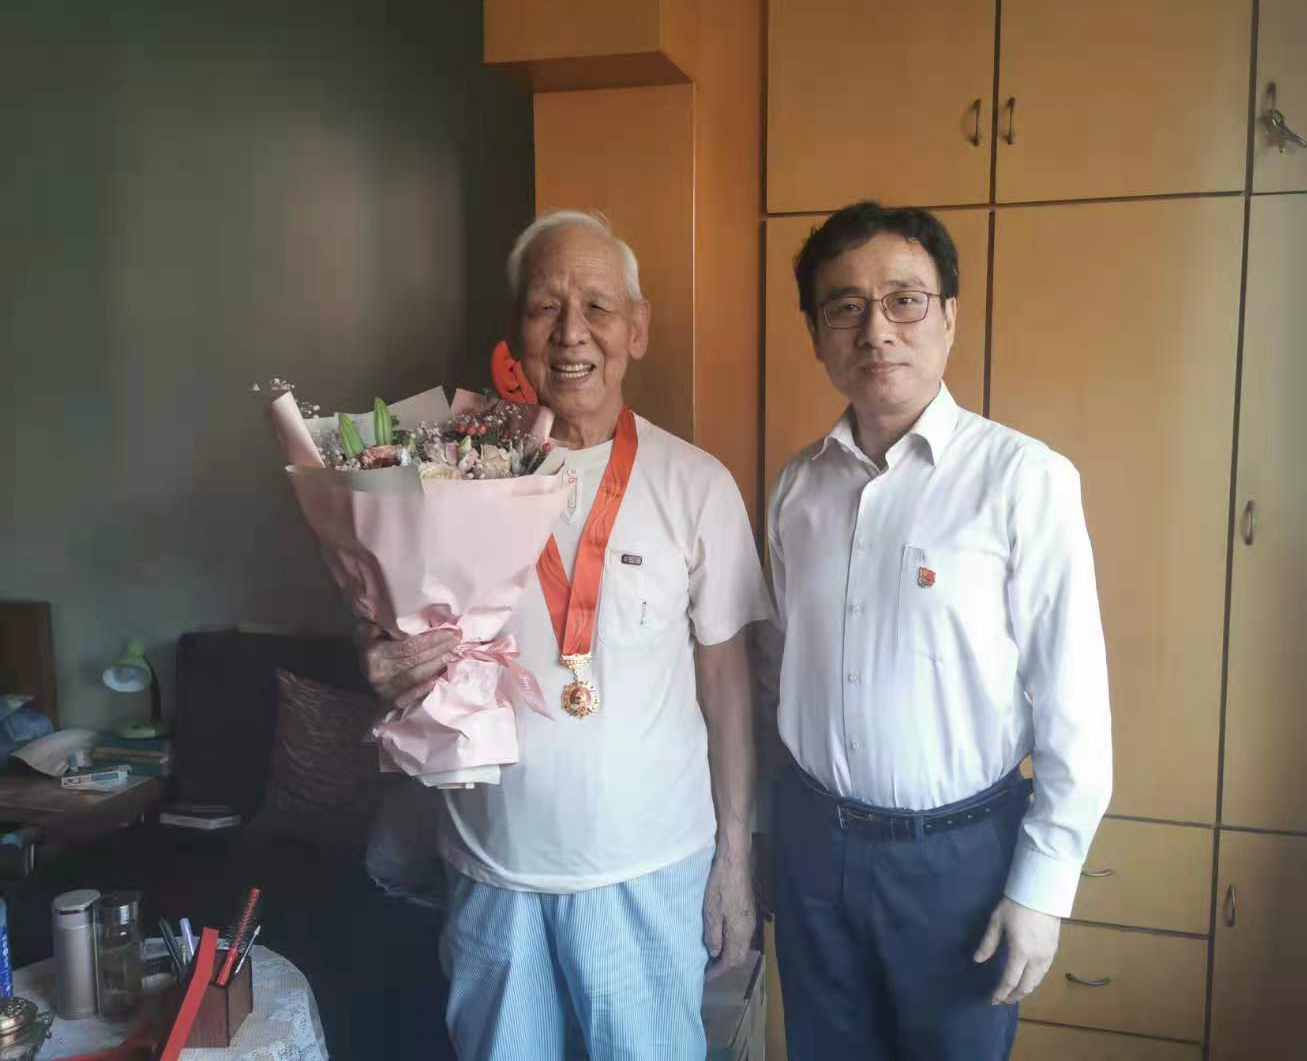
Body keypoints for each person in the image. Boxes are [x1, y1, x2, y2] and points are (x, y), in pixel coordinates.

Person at [357, 210, 770, 1061]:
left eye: (598, 306)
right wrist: (385, 666)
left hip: (650, 869)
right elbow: (388, 646)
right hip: (492, 871)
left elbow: (727, 689)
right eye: (546, 306)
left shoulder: (696, 484)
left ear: (637, 329)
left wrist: (736, 859)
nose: (572, 331)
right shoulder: (446, 477)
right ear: (516, 334)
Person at [757, 201, 1112, 1059]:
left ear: (949, 315)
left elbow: (1074, 705)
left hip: (958, 864)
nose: (876, 330)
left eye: (904, 300)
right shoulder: (797, 490)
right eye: (845, 307)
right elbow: (776, 673)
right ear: (816, 333)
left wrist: (1042, 888)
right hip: (813, 848)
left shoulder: (1023, 480)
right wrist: (767, 837)